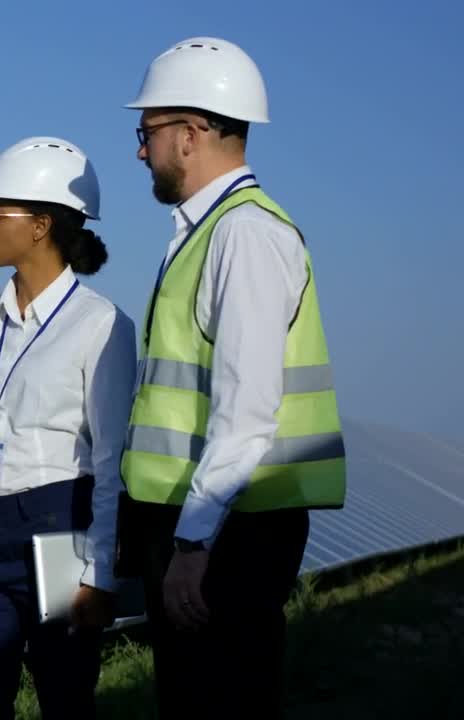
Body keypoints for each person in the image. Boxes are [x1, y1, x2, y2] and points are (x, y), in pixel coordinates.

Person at [119, 37, 347, 719]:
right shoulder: (207, 232)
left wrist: (192, 545)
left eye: (147, 132)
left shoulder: (243, 235)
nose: (140, 150)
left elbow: (247, 410)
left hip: (227, 532)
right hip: (206, 521)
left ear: (189, 136)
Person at [0, 136, 137, 719]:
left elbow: (112, 459)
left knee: (65, 700)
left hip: (60, 527)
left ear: (40, 225)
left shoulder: (102, 324)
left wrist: (101, 572)